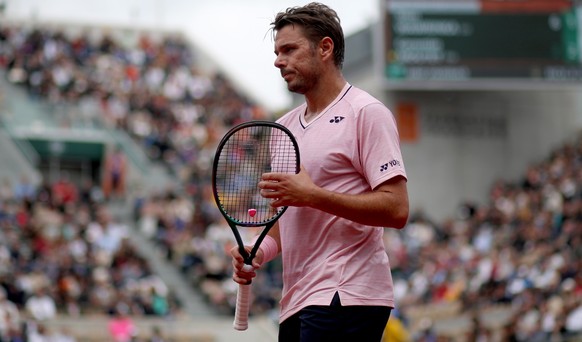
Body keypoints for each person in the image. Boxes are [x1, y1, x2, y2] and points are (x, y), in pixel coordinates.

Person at [230, 3, 409, 341]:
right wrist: (257, 252)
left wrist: (313, 196)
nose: (278, 61)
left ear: (325, 48)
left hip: (347, 292)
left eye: (289, 50)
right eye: (277, 52)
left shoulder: (367, 113)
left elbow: (397, 208)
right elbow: (284, 222)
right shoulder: (283, 128)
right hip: (298, 297)